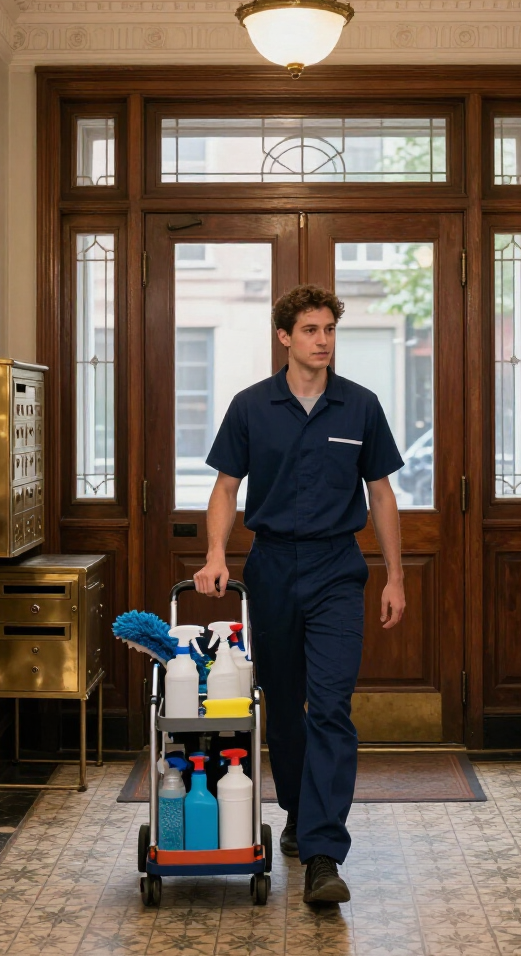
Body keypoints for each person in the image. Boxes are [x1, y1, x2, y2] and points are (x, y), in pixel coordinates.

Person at [193, 284, 406, 904]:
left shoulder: (359, 406)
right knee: (283, 708)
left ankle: (322, 852)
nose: (322, 341)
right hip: (273, 567)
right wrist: (215, 554)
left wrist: (395, 575)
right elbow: (227, 487)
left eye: (329, 330)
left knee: (332, 707)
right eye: (310, 330)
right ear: (285, 337)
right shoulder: (251, 406)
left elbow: (383, 495)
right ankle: (295, 810)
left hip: (338, 567)